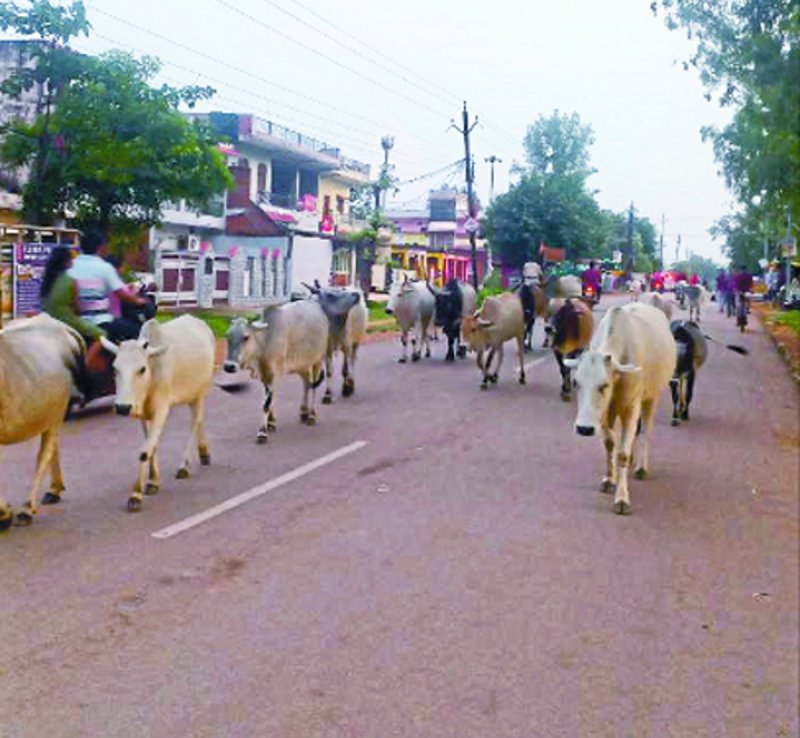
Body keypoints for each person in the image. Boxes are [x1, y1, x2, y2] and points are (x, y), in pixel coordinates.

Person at [69, 228, 145, 342]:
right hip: (98, 320)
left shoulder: (70, 265)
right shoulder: (104, 267)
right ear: (101, 247)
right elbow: (122, 294)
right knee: (136, 331)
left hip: (73, 317)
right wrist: (139, 301)